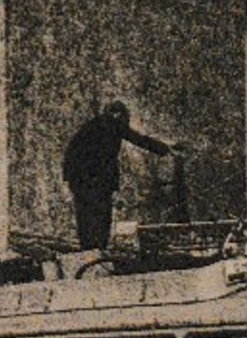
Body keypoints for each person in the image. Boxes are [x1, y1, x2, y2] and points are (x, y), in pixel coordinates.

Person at [62, 101, 175, 251]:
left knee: (88, 219)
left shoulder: (97, 126)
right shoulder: (107, 127)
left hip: (85, 181)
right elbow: (137, 139)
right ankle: (96, 252)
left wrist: (165, 148)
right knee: (99, 218)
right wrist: (165, 149)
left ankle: (91, 252)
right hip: (93, 182)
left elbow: (137, 138)